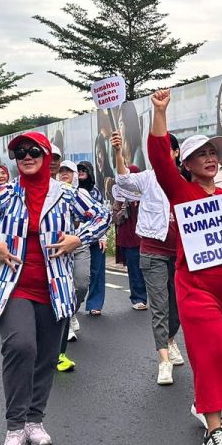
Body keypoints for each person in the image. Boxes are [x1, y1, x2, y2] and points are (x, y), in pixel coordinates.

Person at [0, 131, 109, 445]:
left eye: (33, 151)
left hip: (54, 288)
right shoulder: (4, 194)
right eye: (20, 153)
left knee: (44, 357)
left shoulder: (66, 195)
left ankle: (34, 421)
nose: (26, 157)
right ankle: (14, 428)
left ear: (46, 156)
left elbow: (103, 216)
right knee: (20, 346)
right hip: (11, 286)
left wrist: (77, 238)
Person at [148, 88, 222, 445]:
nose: (209, 158)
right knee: (212, 352)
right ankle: (214, 431)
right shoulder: (179, 190)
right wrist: (160, 112)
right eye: (200, 154)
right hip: (195, 288)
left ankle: (204, 404)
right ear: (186, 163)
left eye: (213, 153)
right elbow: (159, 157)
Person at [113, 130, 186, 386]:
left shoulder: (187, 179)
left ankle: (170, 338)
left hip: (181, 255)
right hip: (152, 251)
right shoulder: (147, 178)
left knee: (178, 308)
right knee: (159, 306)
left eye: (167, 149)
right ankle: (163, 360)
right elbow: (123, 180)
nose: (161, 155)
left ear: (176, 153)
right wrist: (118, 152)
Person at [53, 160, 92, 373]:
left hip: (79, 245)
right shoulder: (54, 193)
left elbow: (96, 216)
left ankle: (70, 313)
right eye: (61, 171)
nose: (64, 174)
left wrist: (101, 236)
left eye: (68, 171)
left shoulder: (82, 195)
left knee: (82, 284)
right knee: (61, 292)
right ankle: (63, 327)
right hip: (58, 249)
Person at [78, 161, 110, 316]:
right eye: (78, 170)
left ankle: (94, 304)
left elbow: (102, 215)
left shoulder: (96, 192)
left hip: (96, 236)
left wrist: (102, 236)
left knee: (97, 270)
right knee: (76, 274)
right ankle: (73, 303)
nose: (81, 172)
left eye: (84, 169)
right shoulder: (71, 191)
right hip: (76, 238)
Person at [113, 177, 148, 311]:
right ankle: (138, 298)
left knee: (152, 269)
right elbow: (115, 219)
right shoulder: (120, 197)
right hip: (129, 239)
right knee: (134, 270)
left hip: (146, 237)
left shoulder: (146, 194)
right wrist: (122, 207)